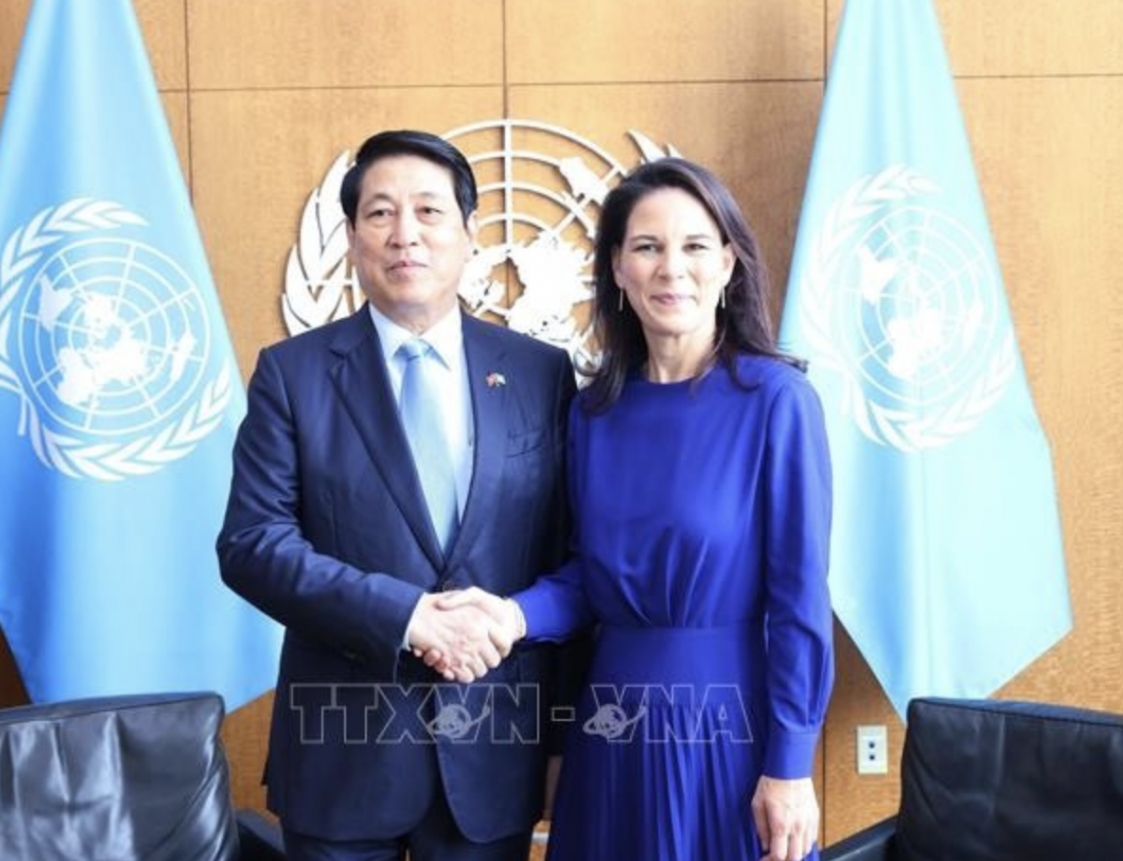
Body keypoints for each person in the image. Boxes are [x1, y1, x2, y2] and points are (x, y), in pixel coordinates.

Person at [430, 157, 835, 861]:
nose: (670, 269)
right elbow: (589, 577)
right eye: (647, 247)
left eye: (694, 246)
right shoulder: (593, 412)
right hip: (610, 727)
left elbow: (800, 601)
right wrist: (510, 615)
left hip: (728, 731)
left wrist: (791, 764)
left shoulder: (777, 402)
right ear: (618, 268)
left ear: (730, 262)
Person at [217, 129, 578, 861]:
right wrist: (407, 615)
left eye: (428, 211)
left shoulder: (541, 373)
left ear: (470, 233)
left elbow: (570, 553)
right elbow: (253, 544)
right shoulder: (294, 374)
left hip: (493, 751)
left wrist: (563, 737)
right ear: (352, 238)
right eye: (380, 213)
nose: (405, 234)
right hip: (341, 760)